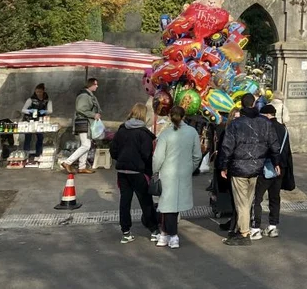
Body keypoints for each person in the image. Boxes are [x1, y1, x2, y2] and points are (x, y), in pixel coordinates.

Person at [219, 93, 281, 246]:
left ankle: (244, 233)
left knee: (242, 202)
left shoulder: (235, 124)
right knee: (248, 199)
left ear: (241, 104)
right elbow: (274, 144)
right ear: (254, 104)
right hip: (256, 166)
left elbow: (227, 147)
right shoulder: (265, 123)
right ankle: (243, 230)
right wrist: (276, 162)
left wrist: (223, 165)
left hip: (238, 167)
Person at [152, 105, 202, 249]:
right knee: (175, 204)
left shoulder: (166, 133)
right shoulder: (192, 132)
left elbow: (158, 157)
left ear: (169, 116)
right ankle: (170, 234)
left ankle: (168, 234)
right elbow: (197, 155)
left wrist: (155, 170)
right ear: (184, 116)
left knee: (167, 204)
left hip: (167, 172)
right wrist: (190, 168)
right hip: (184, 172)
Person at [109, 103, 159, 244]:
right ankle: (154, 230)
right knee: (145, 201)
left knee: (125, 201)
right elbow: (147, 155)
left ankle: (125, 231)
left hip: (122, 170)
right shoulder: (144, 134)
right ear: (143, 115)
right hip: (139, 171)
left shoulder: (121, 130)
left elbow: (113, 150)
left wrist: (121, 159)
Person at [252, 104, 295, 239]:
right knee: (275, 198)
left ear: (266, 115)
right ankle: (272, 226)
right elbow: (287, 150)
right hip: (281, 169)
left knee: (257, 199)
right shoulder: (284, 129)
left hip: (266, 167)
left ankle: (255, 228)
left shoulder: (264, 127)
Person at [61, 78, 101, 175]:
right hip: (83, 122)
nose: (97, 86)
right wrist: (93, 115)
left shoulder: (89, 95)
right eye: (95, 84)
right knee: (86, 145)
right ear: (90, 85)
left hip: (87, 122)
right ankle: (67, 162)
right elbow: (80, 108)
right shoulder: (84, 96)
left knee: (87, 144)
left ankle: (82, 167)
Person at [21, 83, 52, 158]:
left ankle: (38, 153)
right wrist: (29, 111)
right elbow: (23, 109)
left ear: (43, 91)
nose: (38, 93)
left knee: (40, 137)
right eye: (36, 92)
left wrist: (45, 112)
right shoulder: (30, 99)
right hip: (29, 121)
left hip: (39, 121)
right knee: (28, 137)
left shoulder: (47, 100)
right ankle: (26, 154)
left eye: (40, 92)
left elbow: (50, 110)